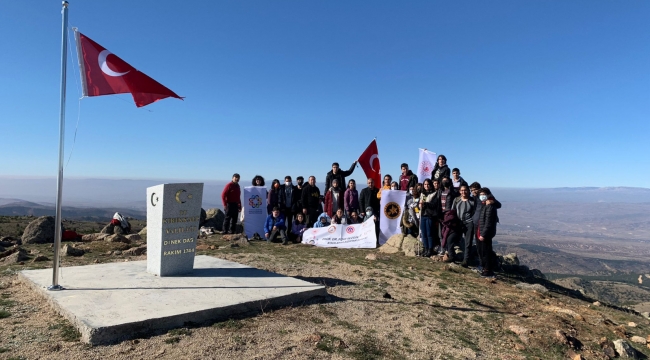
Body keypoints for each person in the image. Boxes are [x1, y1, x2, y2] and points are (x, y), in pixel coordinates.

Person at [470, 182, 501, 272]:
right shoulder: (476, 198)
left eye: (475, 190)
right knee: (479, 248)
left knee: (486, 249)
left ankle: (488, 268)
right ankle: (482, 265)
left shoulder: (489, 201)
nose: (473, 192)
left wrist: (493, 201)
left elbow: (499, 205)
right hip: (477, 225)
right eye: (472, 190)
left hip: (484, 227)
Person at [452, 185, 476, 267]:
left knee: (468, 242)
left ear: (468, 191)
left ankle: (466, 260)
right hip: (458, 223)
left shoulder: (472, 201)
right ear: (459, 191)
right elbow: (453, 211)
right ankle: (452, 257)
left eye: (465, 190)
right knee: (451, 239)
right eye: (462, 190)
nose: (463, 192)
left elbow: (475, 212)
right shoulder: (456, 200)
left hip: (469, 224)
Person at [477, 188, 499, 277]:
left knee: (486, 252)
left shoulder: (489, 206)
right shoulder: (484, 204)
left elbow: (488, 222)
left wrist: (483, 234)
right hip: (482, 231)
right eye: (480, 194)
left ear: (488, 195)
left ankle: (487, 270)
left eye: (484, 194)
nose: (482, 196)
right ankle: (485, 268)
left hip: (486, 233)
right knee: (484, 251)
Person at [419, 178, 442, 257]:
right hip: (423, 215)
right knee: (424, 233)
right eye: (425, 184)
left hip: (430, 215)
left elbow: (434, 205)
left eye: (428, 184)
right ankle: (425, 249)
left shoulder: (434, 194)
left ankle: (430, 249)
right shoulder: (422, 194)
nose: (426, 186)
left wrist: (425, 204)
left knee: (429, 233)